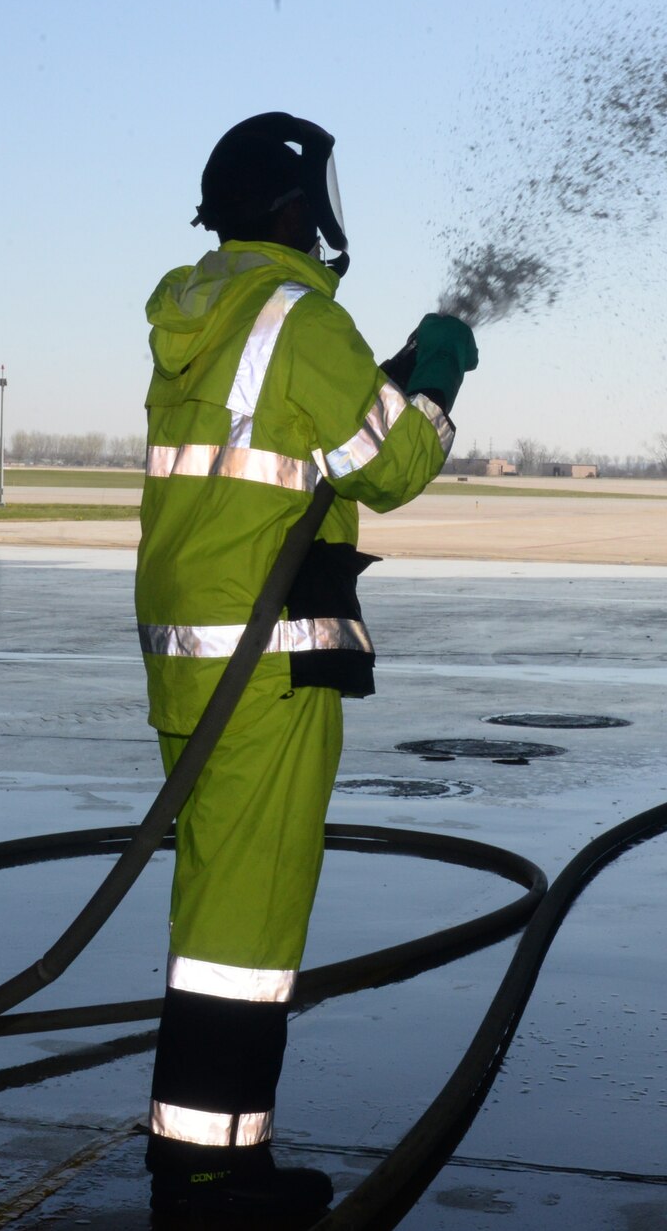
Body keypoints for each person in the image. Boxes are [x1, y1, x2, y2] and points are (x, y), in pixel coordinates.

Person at [135, 113, 476, 1218]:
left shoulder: (207, 315)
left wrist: (372, 380)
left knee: (209, 914)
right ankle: (213, 1174)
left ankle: (198, 1149)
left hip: (191, 656)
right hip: (266, 669)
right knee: (249, 927)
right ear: (298, 209)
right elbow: (393, 469)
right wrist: (432, 384)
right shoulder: (299, 315)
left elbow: (287, 452)